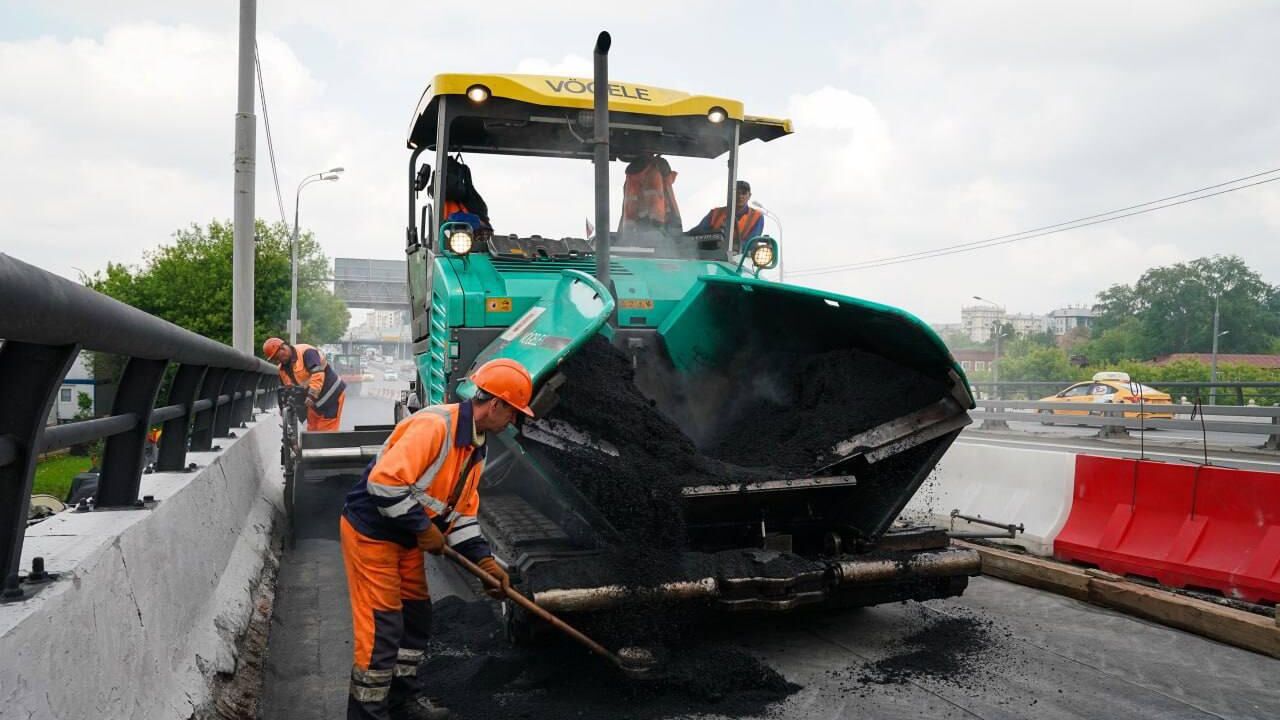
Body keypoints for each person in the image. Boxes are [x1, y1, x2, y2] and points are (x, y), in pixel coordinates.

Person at [339, 358, 535, 720]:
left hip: (408, 537)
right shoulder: (434, 427)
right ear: (495, 404)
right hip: (374, 533)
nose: (514, 421)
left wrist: (484, 563)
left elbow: (459, 514)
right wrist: (423, 527)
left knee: (416, 616)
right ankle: (368, 713)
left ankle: (402, 702)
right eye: (513, 413)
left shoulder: (476, 445)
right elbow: (383, 483)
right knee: (383, 627)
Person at [262, 337, 346, 432]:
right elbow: (287, 390)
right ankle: (313, 445)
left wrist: (311, 396)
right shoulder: (283, 369)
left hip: (331, 394)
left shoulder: (306, 352)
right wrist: (286, 411)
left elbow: (318, 375)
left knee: (326, 430)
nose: (278, 361)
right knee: (312, 430)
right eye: (275, 359)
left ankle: (325, 445)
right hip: (314, 401)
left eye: (277, 357)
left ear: (283, 348)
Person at [687, 180, 764, 253]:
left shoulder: (756, 217)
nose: (740, 196)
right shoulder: (715, 213)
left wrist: (728, 246)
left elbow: (751, 242)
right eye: (737, 193)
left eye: (743, 193)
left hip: (741, 259)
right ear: (730, 194)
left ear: (749, 195)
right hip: (712, 255)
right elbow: (698, 230)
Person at [619, 153, 682, 236]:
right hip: (655, 230)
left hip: (638, 233)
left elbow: (628, 213)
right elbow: (657, 206)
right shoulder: (655, 171)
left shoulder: (632, 177)